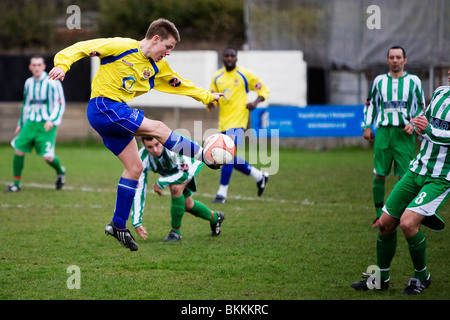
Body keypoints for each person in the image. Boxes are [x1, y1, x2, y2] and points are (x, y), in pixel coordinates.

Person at [49, 18, 223, 251]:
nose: (168, 53)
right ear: (155, 39)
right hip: (104, 106)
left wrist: (207, 96)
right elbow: (79, 48)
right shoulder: (122, 46)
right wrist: (63, 64)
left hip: (113, 115)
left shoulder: (158, 67)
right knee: (159, 128)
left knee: (135, 168)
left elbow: (180, 84)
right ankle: (205, 156)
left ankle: (118, 224)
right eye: (168, 47)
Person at [352, 70, 450, 295]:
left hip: (440, 177)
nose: (449, 72)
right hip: (416, 169)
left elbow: (433, 130)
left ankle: (422, 276)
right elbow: (424, 120)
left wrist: (429, 130)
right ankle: (381, 278)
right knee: (385, 224)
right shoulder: (440, 92)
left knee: (407, 223)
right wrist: (417, 125)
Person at [362, 46, 425, 227]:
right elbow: (371, 104)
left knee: (404, 177)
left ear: (405, 60)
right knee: (379, 174)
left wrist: (414, 124)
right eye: (392, 57)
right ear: (387, 60)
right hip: (383, 132)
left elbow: (421, 107)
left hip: (404, 133)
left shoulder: (414, 81)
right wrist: (366, 126)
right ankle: (377, 216)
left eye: (398, 57)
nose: (395, 60)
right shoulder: (379, 81)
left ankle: (401, 216)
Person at [207, 47, 270, 203]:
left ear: (236, 58)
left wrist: (255, 102)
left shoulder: (244, 74)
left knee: (226, 156)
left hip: (238, 122)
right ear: (223, 58)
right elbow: (211, 98)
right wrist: (210, 104)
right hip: (223, 123)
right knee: (228, 157)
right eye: (226, 56)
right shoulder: (217, 76)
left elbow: (264, 90)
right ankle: (259, 176)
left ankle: (222, 193)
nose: (229, 58)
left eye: (232, 56)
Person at [131, 137, 225, 242]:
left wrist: (160, 182)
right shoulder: (142, 158)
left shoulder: (173, 148)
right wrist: (137, 222)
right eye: (150, 147)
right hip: (176, 169)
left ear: (161, 142)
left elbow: (184, 174)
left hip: (193, 160)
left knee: (175, 188)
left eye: (157, 144)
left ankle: (175, 233)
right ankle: (216, 217)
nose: (155, 150)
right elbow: (139, 189)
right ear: (144, 146)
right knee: (187, 205)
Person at [5, 56, 66, 193]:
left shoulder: (52, 82)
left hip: (46, 124)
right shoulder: (28, 83)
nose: (36, 67)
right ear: (30, 67)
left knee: (48, 157)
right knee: (18, 150)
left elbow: (60, 103)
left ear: (44, 67)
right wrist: (20, 123)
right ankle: (16, 183)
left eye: (39, 65)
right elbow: (26, 104)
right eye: (34, 65)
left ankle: (60, 171)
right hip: (30, 123)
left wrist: (52, 120)